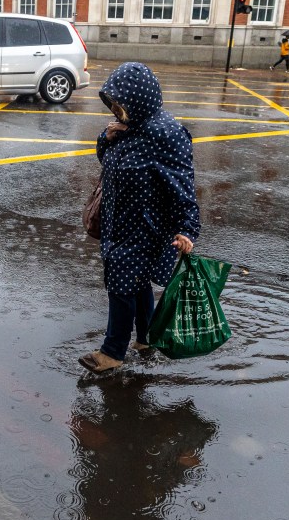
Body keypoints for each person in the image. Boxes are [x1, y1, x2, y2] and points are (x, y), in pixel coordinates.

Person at [79, 62, 200, 373]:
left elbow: (182, 182)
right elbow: (107, 161)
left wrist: (187, 228)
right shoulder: (129, 126)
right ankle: (145, 338)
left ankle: (113, 352)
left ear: (140, 99)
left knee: (121, 286)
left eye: (122, 104)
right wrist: (106, 138)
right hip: (119, 222)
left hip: (145, 226)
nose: (117, 110)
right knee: (137, 282)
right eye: (114, 104)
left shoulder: (166, 134)